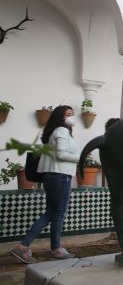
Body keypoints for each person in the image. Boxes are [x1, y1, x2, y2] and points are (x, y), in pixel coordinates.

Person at [9, 105, 80, 263]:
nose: (72, 117)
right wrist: (78, 157)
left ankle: (22, 247)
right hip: (60, 176)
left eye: (72, 114)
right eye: (68, 114)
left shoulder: (54, 132)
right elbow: (61, 154)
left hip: (52, 176)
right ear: (59, 117)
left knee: (50, 213)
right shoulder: (61, 131)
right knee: (59, 213)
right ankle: (56, 249)